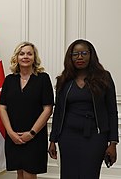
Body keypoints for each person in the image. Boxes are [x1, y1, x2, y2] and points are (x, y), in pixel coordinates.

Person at [48, 39, 118, 178]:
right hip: (68, 136)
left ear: (91, 55)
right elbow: (59, 112)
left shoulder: (104, 77)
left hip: (95, 137)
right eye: (75, 54)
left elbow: (112, 111)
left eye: (84, 53)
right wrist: (53, 140)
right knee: (69, 174)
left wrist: (113, 142)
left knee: (89, 174)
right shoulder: (64, 80)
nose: (79, 57)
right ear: (70, 57)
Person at [0, 42, 54, 179]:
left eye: (29, 53)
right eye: (22, 53)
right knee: (20, 173)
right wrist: (10, 133)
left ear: (34, 57)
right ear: (16, 57)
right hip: (14, 135)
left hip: (34, 136)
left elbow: (48, 108)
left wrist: (31, 133)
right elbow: (2, 107)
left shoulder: (43, 78)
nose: (25, 57)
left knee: (30, 173)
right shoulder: (9, 80)